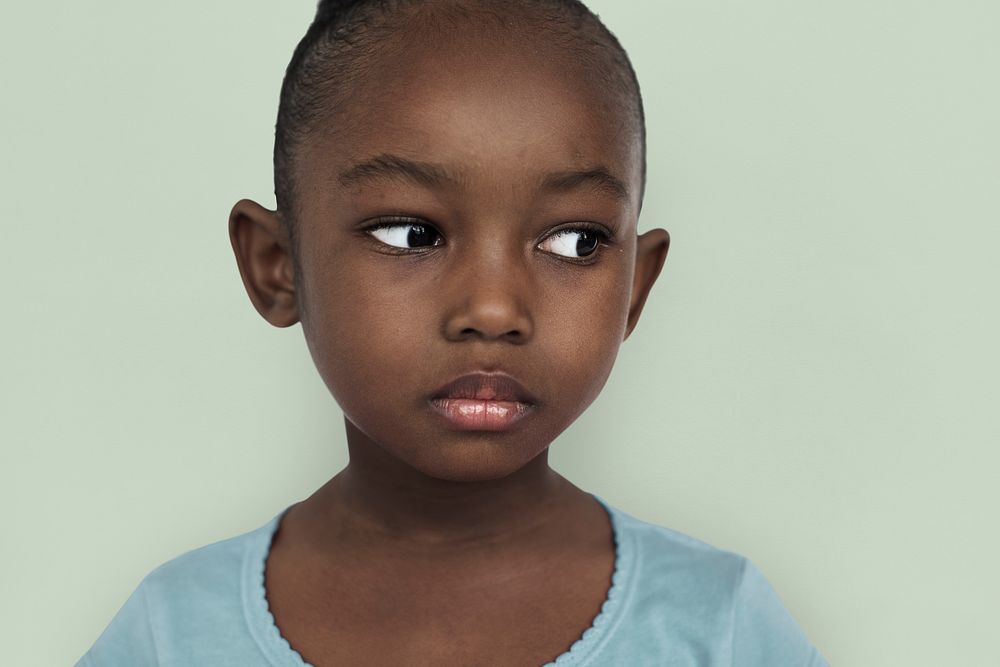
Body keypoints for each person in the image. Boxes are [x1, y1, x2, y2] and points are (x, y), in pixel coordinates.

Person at [77, 0, 828, 664]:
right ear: (279, 267)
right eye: (411, 233)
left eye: (575, 241)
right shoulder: (171, 633)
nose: (494, 309)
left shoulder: (720, 625)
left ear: (635, 286)